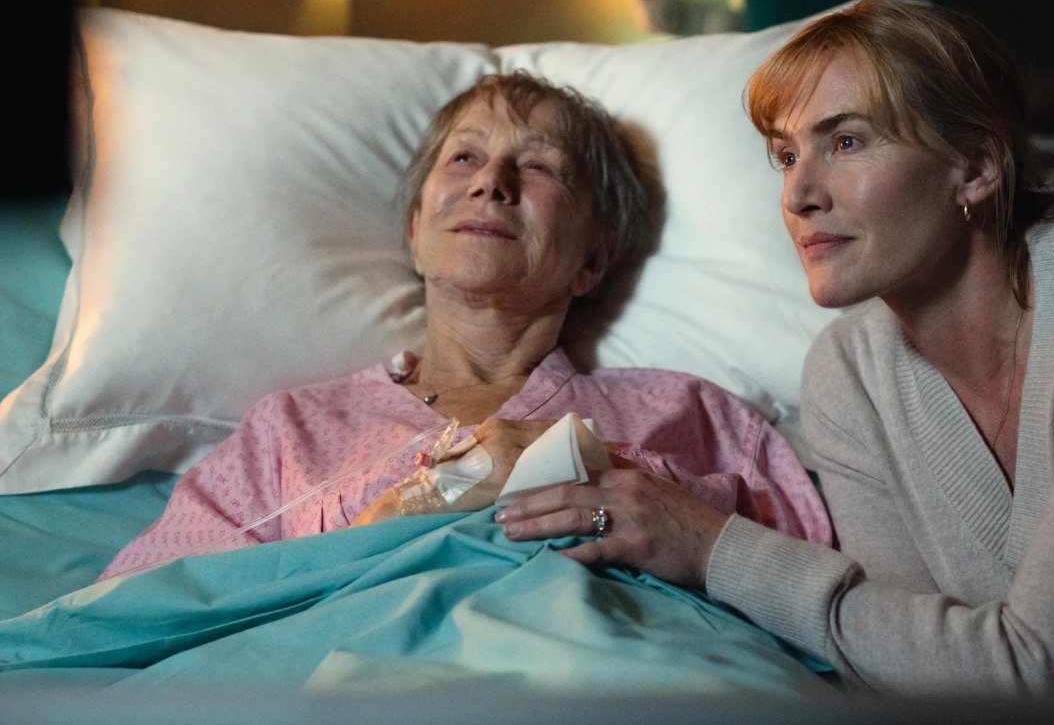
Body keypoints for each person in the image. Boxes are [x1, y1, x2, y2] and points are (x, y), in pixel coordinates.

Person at [496, 0, 1054, 692]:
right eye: (786, 155)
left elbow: (1034, 670)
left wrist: (714, 548)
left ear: (975, 166)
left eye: (846, 142)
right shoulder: (849, 369)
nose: (799, 194)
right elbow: (905, 656)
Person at [100, 71, 831, 580]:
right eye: (465, 157)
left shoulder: (695, 416)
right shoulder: (291, 433)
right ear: (415, 233)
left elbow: (823, 611)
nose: (491, 182)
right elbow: (132, 610)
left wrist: (630, 485)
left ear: (591, 261)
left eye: (539, 167)